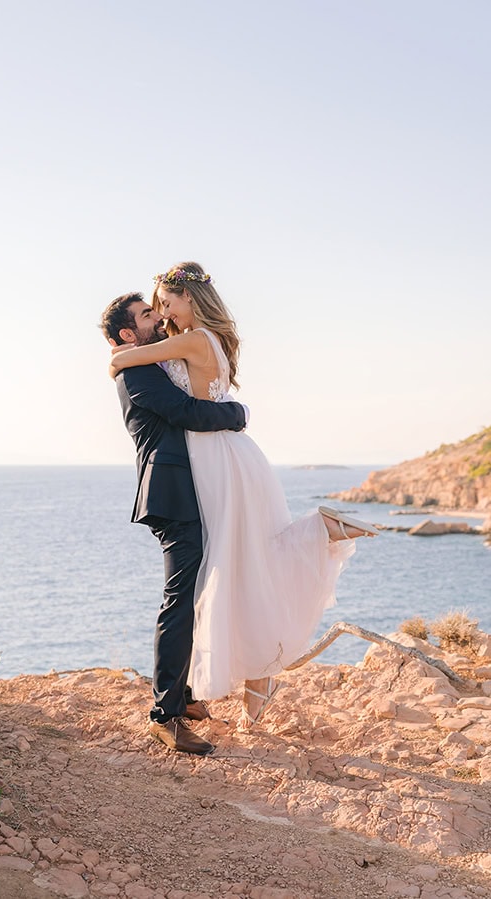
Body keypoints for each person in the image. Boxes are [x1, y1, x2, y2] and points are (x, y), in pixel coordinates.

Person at [109, 263, 379, 729]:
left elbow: (127, 365)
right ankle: (259, 669)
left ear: (188, 298)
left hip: (213, 456)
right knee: (243, 560)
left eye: (166, 302)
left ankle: (317, 536)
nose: (162, 312)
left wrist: (116, 356)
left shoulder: (193, 339)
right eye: (154, 308)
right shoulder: (208, 338)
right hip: (228, 454)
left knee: (230, 563)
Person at [100, 293, 248, 755]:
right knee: (180, 597)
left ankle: (182, 696)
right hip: (171, 492)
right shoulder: (136, 369)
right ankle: (164, 715)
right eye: (148, 315)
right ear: (128, 334)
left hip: (192, 487)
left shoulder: (152, 357)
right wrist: (236, 414)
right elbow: (185, 413)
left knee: (199, 588)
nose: (158, 317)